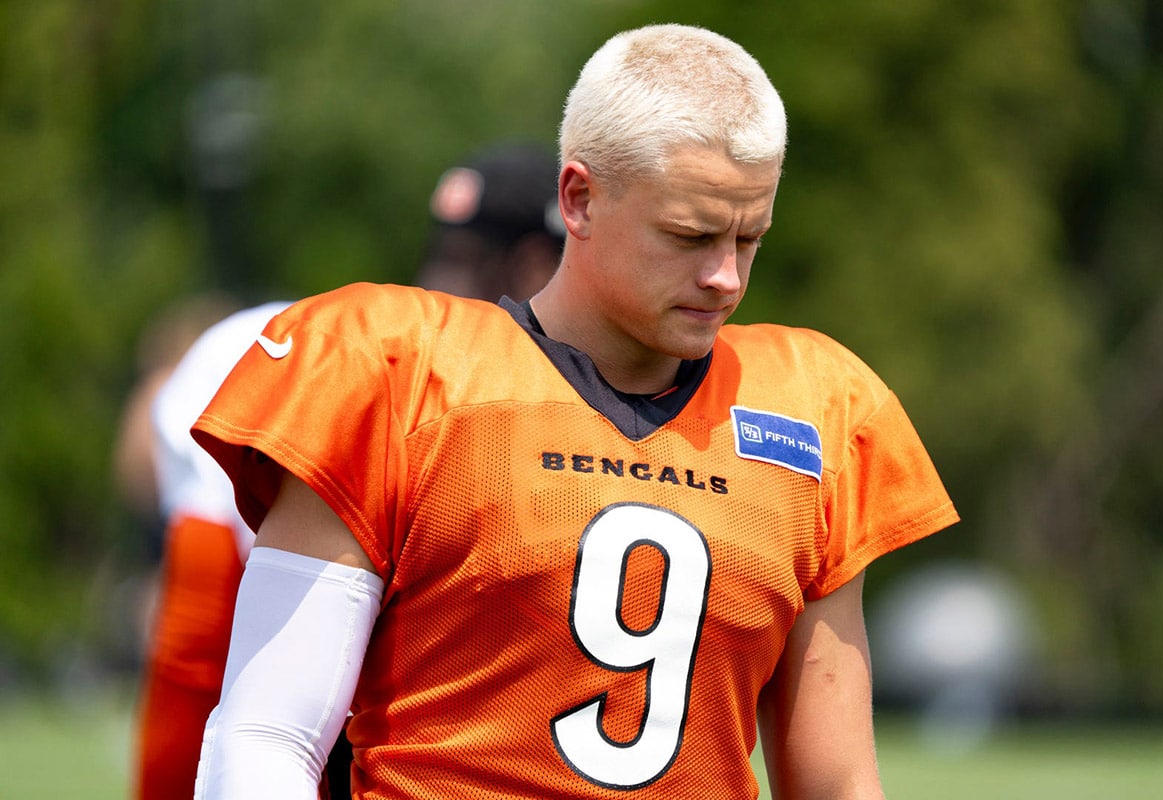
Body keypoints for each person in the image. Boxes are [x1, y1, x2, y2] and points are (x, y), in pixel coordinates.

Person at [191, 23, 959, 800]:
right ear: (579, 199)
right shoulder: (395, 370)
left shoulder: (818, 407)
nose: (725, 276)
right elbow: (265, 735)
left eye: (749, 236)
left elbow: (836, 784)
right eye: (689, 235)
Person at [130, 141, 564, 800]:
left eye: (469, 262)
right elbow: (196, 646)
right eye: (444, 257)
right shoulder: (364, 364)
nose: (445, 282)